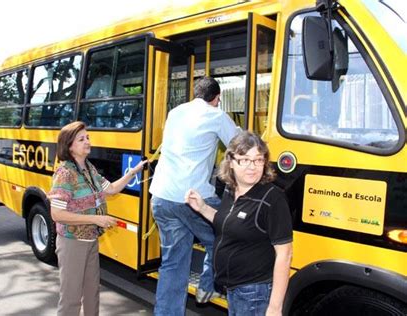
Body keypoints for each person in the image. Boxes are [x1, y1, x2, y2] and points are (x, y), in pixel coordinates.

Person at [149, 76, 240, 315]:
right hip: (191, 198)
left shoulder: (175, 112)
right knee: (226, 235)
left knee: (173, 263)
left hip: (161, 196)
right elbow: (240, 144)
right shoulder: (216, 115)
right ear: (217, 98)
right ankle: (208, 285)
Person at [185, 131, 293, 316]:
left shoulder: (272, 198)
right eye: (244, 159)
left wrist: (275, 307)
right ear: (231, 162)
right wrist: (202, 207)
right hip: (233, 290)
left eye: (258, 160)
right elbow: (227, 222)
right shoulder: (231, 189)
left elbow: (285, 254)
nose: (252, 167)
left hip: (254, 294)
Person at [47, 121, 146, 316]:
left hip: (91, 240)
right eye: (81, 139)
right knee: (71, 299)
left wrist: (133, 172)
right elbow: (56, 214)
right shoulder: (65, 173)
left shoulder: (89, 169)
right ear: (69, 146)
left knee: (92, 294)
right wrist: (96, 220)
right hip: (72, 243)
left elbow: (111, 189)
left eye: (88, 137)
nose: (87, 142)